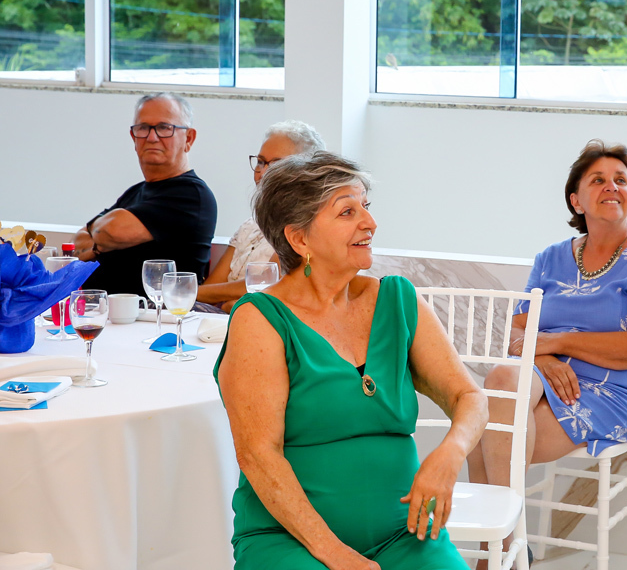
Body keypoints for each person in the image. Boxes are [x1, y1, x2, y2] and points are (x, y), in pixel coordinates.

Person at [214, 152, 487, 570]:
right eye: (347, 211)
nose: (369, 223)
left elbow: (469, 397)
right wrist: (335, 553)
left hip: (404, 534)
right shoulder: (260, 320)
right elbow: (257, 455)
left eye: (366, 206)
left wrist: (451, 451)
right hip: (293, 541)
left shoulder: (398, 300)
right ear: (300, 239)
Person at [467, 140, 627, 519]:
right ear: (576, 201)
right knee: (502, 378)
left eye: (621, 180)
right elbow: (516, 335)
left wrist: (555, 341)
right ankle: (506, 543)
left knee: (482, 435)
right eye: (598, 180)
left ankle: (497, 546)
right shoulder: (550, 258)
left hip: (609, 391)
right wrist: (544, 359)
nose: (612, 186)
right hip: (543, 376)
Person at [74, 92, 218, 294]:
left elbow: (111, 231)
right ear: (133, 137)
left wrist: (96, 242)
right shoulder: (135, 192)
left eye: (164, 128)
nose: (152, 137)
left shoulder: (191, 195)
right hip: (101, 308)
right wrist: (100, 241)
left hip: (153, 310)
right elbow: (77, 242)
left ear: (189, 138)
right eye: (143, 128)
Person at [196, 120, 325, 313]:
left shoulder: (305, 227)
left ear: (306, 172)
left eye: (276, 164)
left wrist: (185, 291)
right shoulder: (250, 227)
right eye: (261, 162)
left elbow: (264, 285)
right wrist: (199, 295)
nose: (263, 173)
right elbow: (213, 287)